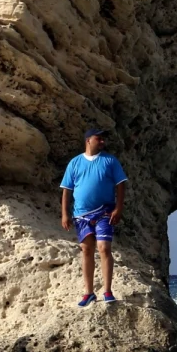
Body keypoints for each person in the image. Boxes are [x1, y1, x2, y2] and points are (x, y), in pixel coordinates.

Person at [60, 128, 128, 306]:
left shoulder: (110, 161)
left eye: (103, 139)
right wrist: (65, 214)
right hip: (81, 214)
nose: (103, 142)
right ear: (88, 140)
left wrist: (118, 208)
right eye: (99, 138)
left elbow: (121, 186)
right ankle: (89, 293)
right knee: (87, 250)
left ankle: (107, 291)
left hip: (105, 211)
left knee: (104, 248)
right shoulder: (75, 163)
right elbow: (67, 190)